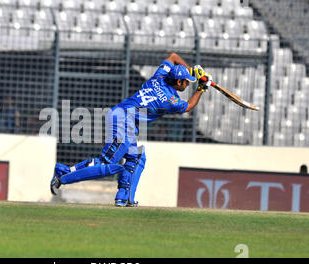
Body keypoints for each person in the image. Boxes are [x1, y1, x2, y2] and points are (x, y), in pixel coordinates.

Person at [50, 52, 213, 207]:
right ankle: (63, 175)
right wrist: (200, 89)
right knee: (107, 163)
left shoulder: (159, 77)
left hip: (124, 119)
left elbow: (173, 56)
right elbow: (188, 106)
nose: (188, 83)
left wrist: (192, 70)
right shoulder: (170, 100)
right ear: (179, 82)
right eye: (187, 81)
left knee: (137, 157)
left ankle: (125, 198)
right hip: (123, 121)